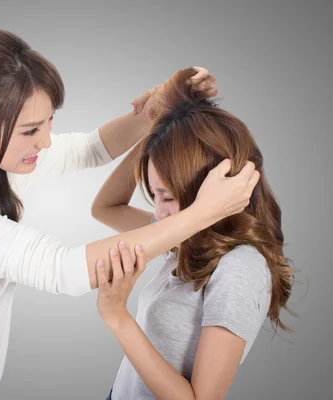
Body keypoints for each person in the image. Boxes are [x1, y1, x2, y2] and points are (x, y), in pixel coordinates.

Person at [0, 28, 259, 400]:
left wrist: (158, 112)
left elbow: (88, 149)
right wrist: (203, 212)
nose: (46, 140)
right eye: (31, 130)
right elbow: (63, 269)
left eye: (50, 121)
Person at [91, 67, 294, 400]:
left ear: (209, 186)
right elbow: (105, 208)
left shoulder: (239, 269)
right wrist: (160, 126)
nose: (158, 213)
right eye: (154, 195)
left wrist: (118, 318)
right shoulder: (188, 236)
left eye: (168, 197)